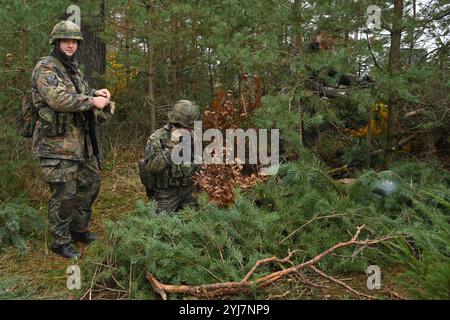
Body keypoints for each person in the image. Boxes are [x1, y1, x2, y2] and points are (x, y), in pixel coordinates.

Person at [31, 20, 112, 259]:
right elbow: (57, 100)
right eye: (66, 41)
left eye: (74, 41)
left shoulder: (73, 69)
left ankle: (79, 229)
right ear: (56, 42)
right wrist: (90, 101)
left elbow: (80, 94)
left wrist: (96, 94)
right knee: (65, 194)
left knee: (91, 184)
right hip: (56, 145)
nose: (70, 45)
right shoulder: (46, 68)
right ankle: (60, 241)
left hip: (80, 143)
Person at [138, 100, 201, 214]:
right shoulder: (157, 138)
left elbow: (198, 164)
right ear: (176, 123)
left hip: (187, 193)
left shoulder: (193, 138)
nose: (190, 130)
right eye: (187, 127)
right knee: (161, 227)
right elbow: (153, 166)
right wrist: (172, 146)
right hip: (165, 195)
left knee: (198, 224)